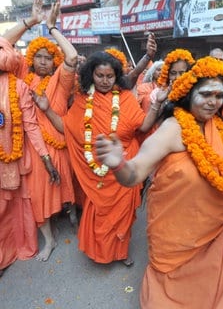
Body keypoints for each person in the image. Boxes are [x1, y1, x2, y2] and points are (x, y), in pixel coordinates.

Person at [94, 56, 223, 308]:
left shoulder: (217, 126)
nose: (213, 101)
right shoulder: (173, 128)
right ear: (189, 94)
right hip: (175, 232)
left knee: (214, 289)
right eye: (206, 94)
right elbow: (134, 174)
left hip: (214, 227)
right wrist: (118, 163)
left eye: (219, 95)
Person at [32, 50, 168, 266]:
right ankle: (102, 252)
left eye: (110, 76)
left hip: (124, 165)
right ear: (91, 76)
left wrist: (156, 104)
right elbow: (68, 128)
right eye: (100, 76)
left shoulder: (124, 98)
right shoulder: (82, 100)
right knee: (99, 214)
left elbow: (143, 126)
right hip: (94, 170)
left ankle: (121, 252)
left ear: (117, 76)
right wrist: (47, 109)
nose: (105, 81)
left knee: (123, 215)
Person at [4, 0, 78, 261]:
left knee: (67, 190)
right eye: (39, 57)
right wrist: (31, 22)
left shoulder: (61, 80)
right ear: (31, 58)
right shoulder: (23, 76)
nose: (44, 62)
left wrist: (51, 27)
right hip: (33, 150)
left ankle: (72, 215)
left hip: (61, 144)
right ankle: (50, 240)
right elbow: (4, 43)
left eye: (49, 58)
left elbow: (71, 57)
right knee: (37, 196)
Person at [0, 36, 59, 276]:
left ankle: (25, 245)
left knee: (22, 203)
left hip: (16, 157)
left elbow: (31, 126)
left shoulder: (19, 86)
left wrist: (46, 160)